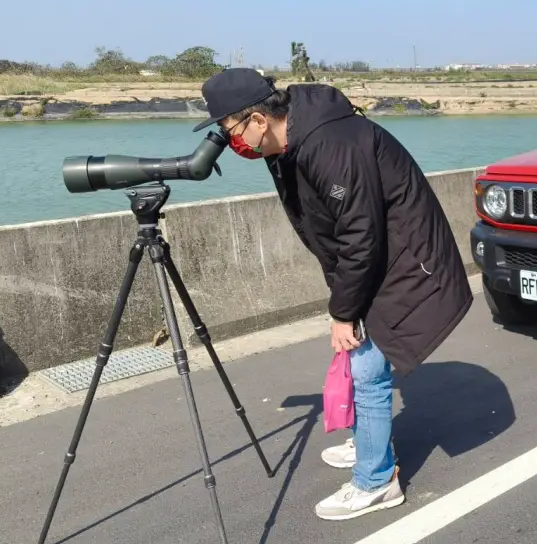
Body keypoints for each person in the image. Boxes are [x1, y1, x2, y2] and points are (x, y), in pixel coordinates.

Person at [194, 68, 473, 520]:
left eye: (230, 130)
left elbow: (359, 234)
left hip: (403, 257)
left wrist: (342, 312)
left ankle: (376, 481)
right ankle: (370, 439)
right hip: (381, 255)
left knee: (366, 368)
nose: (231, 142)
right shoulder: (294, 141)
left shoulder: (329, 144)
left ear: (259, 121)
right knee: (364, 358)